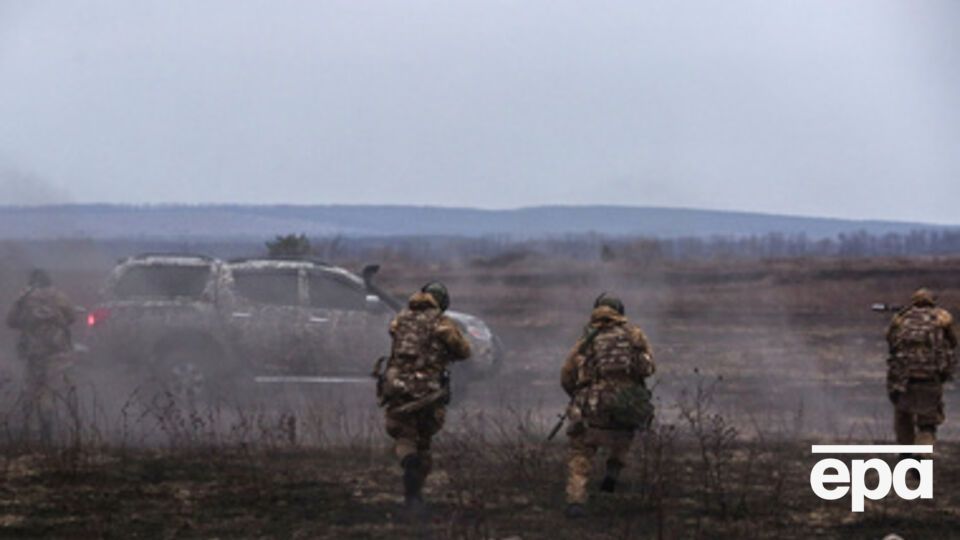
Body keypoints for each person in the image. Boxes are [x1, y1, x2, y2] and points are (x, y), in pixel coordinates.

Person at [376, 282, 471, 508]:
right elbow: (464, 351)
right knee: (424, 442)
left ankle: (410, 474)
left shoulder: (400, 319)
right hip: (428, 391)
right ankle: (415, 494)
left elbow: (394, 333)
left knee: (404, 436)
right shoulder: (442, 324)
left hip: (397, 386)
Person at [560, 294, 655, 518]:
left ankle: (576, 500)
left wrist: (576, 393)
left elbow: (567, 374)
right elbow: (648, 368)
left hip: (592, 404)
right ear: (620, 311)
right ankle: (612, 475)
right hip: (626, 402)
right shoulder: (634, 335)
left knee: (581, 452)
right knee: (622, 438)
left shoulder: (587, 339)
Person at [5, 269, 76, 443]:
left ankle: (28, 432)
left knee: (31, 392)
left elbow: (10, 321)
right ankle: (47, 432)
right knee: (49, 392)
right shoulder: (59, 297)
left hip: (33, 354)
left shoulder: (24, 298)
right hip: (56, 353)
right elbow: (71, 318)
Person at [886, 288, 957, 454]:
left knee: (903, 417)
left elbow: (891, 342)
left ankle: (906, 452)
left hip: (903, 379)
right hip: (930, 378)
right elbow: (953, 343)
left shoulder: (902, 318)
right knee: (927, 423)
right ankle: (922, 453)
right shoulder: (942, 318)